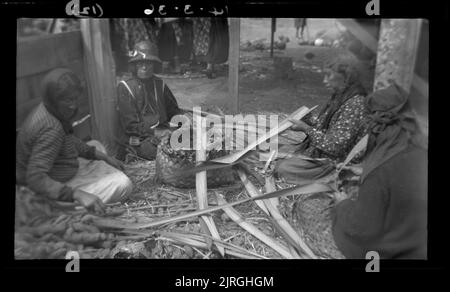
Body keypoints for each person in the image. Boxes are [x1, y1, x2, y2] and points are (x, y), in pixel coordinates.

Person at [293, 84, 428, 259]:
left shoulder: (381, 168)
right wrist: (362, 170)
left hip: (384, 251)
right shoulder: (415, 149)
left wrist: (342, 204)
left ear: (377, 124)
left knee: (307, 205)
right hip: (415, 240)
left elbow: (361, 229)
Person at [16, 68, 133, 214]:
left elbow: (68, 140)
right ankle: (61, 208)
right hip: (47, 185)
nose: (73, 105)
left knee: (96, 146)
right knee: (123, 184)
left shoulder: (47, 109)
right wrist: (77, 194)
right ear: (53, 99)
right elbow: (35, 178)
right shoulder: (51, 129)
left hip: (56, 165)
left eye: (75, 98)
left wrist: (106, 158)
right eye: (67, 100)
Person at [275, 54, 368, 184]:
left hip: (337, 163)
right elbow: (330, 129)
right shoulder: (342, 96)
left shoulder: (355, 104)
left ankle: (333, 178)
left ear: (347, 77)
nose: (324, 81)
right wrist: (309, 120)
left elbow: (335, 146)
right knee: (278, 155)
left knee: (282, 168)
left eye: (329, 75)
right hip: (324, 156)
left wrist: (306, 128)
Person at [116, 40, 183, 161]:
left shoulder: (160, 84)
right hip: (142, 138)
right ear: (134, 65)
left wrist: (180, 124)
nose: (144, 67)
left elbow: (174, 111)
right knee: (160, 151)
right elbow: (130, 126)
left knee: (189, 140)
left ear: (155, 65)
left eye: (149, 63)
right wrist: (156, 133)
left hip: (164, 131)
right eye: (140, 63)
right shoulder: (125, 87)